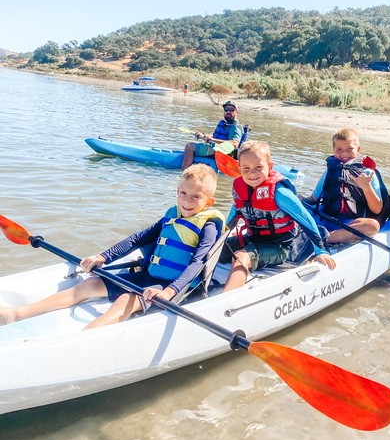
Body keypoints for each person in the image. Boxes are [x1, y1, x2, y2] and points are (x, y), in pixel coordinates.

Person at [0, 165, 225, 329]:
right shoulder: (171, 215)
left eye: (196, 197)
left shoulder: (208, 225)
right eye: (183, 193)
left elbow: (198, 262)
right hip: (148, 276)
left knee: (126, 300)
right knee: (89, 284)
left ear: (209, 202)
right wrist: (103, 257)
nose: (187, 201)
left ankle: (81, 339)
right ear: (177, 190)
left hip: (174, 286)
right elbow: (138, 238)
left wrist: (169, 292)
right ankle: (17, 314)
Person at [221, 140, 337, 291]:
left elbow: (305, 219)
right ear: (239, 168)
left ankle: (227, 298)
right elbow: (232, 219)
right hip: (252, 239)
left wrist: (320, 251)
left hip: (279, 247)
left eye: (258, 167)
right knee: (214, 249)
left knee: (240, 256)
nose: (252, 173)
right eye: (246, 168)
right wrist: (218, 241)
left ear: (270, 166)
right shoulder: (240, 190)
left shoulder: (280, 193)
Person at [301, 128, 390, 244]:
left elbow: (376, 209)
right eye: (339, 150)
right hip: (324, 217)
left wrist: (366, 186)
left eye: (349, 149)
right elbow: (313, 199)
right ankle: (310, 235)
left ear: (358, 149)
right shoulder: (330, 171)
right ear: (333, 151)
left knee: (372, 226)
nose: (344, 153)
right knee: (294, 209)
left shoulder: (368, 173)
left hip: (349, 223)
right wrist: (298, 198)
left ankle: (323, 238)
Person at [182, 101, 245, 169]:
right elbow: (215, 135)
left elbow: (235, 143)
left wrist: (212, 139)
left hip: (222, 153)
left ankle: (185, 171)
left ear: (236, 112)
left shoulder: (235, 127)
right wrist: (206, 135)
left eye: (231, 110)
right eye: (226, 109)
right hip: (216, 149)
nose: (228, 112)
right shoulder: (225, 124)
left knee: (189, 146)